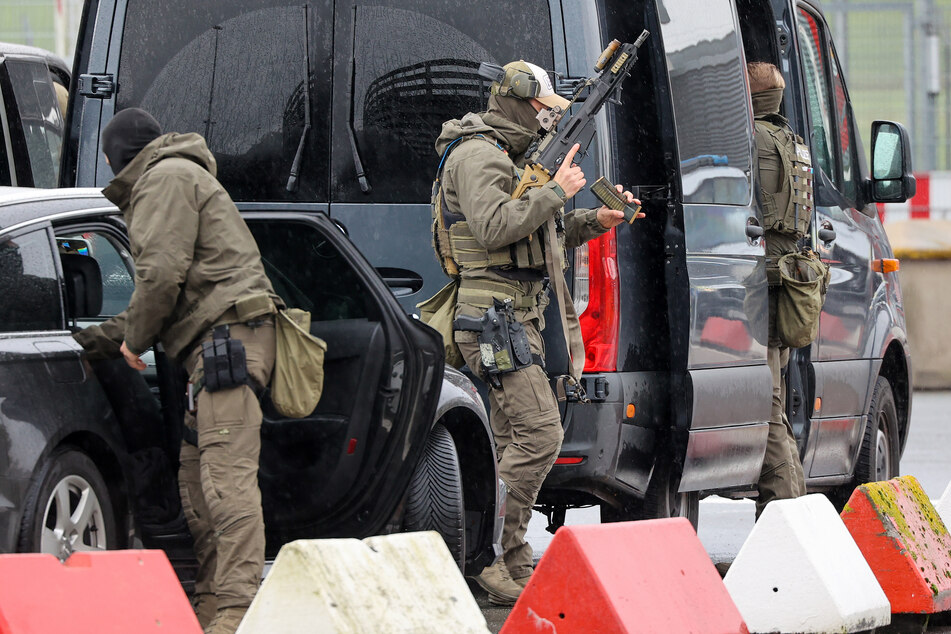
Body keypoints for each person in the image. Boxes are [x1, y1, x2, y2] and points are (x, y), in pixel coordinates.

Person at [433, 60, 638, 605]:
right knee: (541, 433)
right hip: (491, 316)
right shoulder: (478, 155)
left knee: (509, 438)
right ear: (521, 104)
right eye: (543, 111)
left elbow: (537, 233)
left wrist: (596, 220)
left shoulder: (509, 156)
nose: (549, 122)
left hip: (514, 314)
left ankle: (511, 554)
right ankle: (490, 555)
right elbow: (496, 225)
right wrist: (557, 191)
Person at [74, 108, 282, 634]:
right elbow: (161, 287)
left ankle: (237, 611)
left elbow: (160, 276)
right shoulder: (176, 174)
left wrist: (133, 344)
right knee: (195, 481)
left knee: (225, 483)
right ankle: (211, 602)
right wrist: (90, 340)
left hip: (226, 346)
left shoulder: (163, 178)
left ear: (115, 155)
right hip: (214, 350)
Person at [747, 62, 810, 517]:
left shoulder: (752, 140)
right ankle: (796, 506)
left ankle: (783, 509)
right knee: (778, 400)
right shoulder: (791, 141)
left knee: (768, 403)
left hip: (764, 285)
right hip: (788, 281)